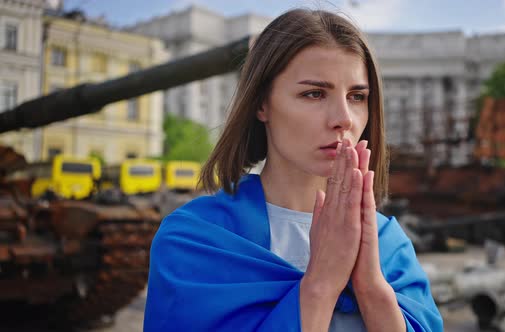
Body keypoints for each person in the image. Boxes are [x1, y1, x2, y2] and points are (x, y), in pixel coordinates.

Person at [144, 8, 443, 332]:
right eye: (313, 93)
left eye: (357, 96)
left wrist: (372, 289)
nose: (344, 118)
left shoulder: (390, 244)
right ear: (261, 104)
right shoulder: (194, 239)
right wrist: (321, 283)